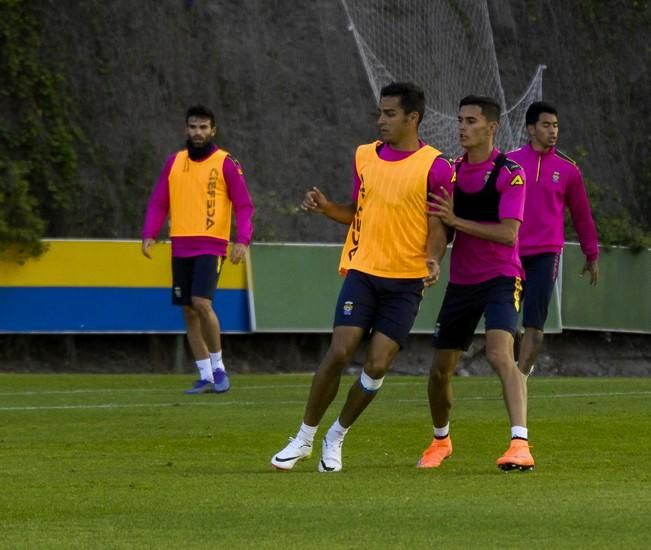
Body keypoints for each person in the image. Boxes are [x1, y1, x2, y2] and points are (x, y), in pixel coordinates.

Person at [270, 82, 454, 473]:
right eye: (380, 113)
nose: (381, 120)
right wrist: (326, 208)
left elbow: (438, 225)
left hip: (406, 282)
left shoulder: (436, 166)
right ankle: (303, 438)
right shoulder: (364, 156)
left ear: (412, 118)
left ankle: (336, 437)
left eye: (389, 114)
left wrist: (433, 259)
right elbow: (356, 211)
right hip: (363, 272)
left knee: (376, 366)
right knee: (339, 351)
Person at [419, 95, 534, 471]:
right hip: (462, 283)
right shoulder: (449, 173)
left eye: (471, 121)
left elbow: (507, 235)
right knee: (439, 371)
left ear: (492, 127)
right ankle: (440, 441)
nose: (462, 127)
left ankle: (520, 443)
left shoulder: (509, 173)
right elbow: (440, 228)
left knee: (500, 354)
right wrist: (433, 260)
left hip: (502, 277)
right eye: (460, 120)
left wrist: (456, 220)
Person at [141, 104, 254, 394]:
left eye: (203, 127)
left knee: (202, 303)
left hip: (211, 243)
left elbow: (243, 204)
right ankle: (204, 374)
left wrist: (242, 240)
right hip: (181, 244)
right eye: (193, 127)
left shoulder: (226, 162)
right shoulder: (174, 162)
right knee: (189, 311)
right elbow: (158, 201)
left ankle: (219, 369)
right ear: (186, 129)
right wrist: (149, 233)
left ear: (212, 130)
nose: (198, 132)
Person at [508, 102, 599, 378]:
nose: (553, 131)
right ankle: (514, 368)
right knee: (506, 325)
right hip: (509, 254)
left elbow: (582, 215)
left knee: (535, 323)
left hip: (546, 254)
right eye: (547, 125)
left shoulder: (568, 169)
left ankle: (520, 380)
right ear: (531, 128)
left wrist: (591, 254)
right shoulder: (510, 162)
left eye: (556, 126)